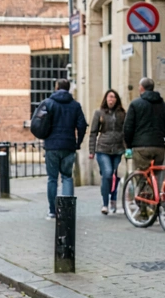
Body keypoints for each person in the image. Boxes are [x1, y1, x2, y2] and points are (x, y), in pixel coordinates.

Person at [38, 80, 88, 220]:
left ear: (57, 87)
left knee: (52, 178)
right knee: (67, 177)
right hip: (68, 145)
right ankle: (67, 211)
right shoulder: (75, 105)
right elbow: (82, 125)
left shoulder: (49, 103)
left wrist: (44, 137)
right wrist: (78, 142)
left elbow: (39, 122)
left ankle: (52, 211)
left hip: (52, 146)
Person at [88, 90, 126, 215]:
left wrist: (127, 148)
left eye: (114, 97)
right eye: (110, 97)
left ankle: (113, 200)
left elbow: (126, 131)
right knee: (107, 174)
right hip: (103, 148)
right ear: (106, 99)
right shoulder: (99, 113)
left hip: (118, 148)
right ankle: (105, 203)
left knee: (114, 175)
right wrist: (91, 150)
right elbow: (93, 132)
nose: (112, 99)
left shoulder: (122, 114)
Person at [122, 77, 165, 172]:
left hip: (141, 146)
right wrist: (163, 137)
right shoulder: (163, 105)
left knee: (142, 176)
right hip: (159, 146)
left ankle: (144, 186)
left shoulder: (135, 104)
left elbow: (128, 127)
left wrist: (128, 145)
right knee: (155, 177)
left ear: (141, 88)